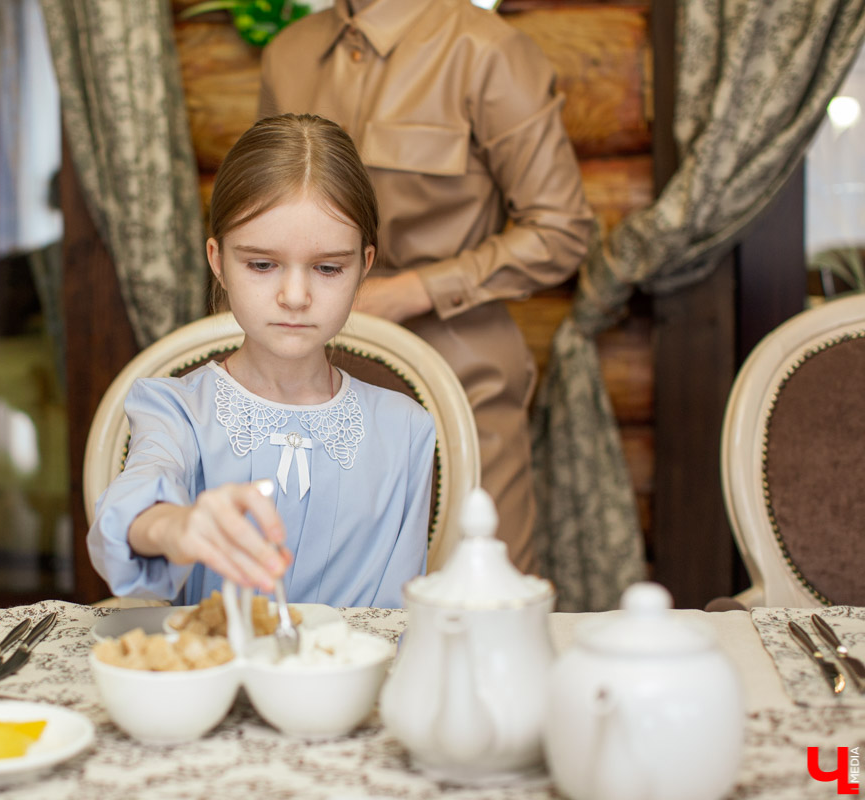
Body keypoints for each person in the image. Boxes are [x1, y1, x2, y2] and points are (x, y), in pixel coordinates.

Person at [258, 0, 595, 574]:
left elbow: (561, 230)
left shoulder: (488, 50)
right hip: (304, 380)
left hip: (463, 382)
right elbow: (259, 213)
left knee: (484, 606)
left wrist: (413, 290)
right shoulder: (287, 53)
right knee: (307, 601)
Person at [88, 113, 437, 608]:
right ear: (217, 261)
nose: (295, 296)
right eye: (262, 264)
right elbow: (134, 503)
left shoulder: (407, 431)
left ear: (364, 267)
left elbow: (401, 619)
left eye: (328, 268)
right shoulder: (175, 411)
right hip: (215, 680)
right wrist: (175, 524)